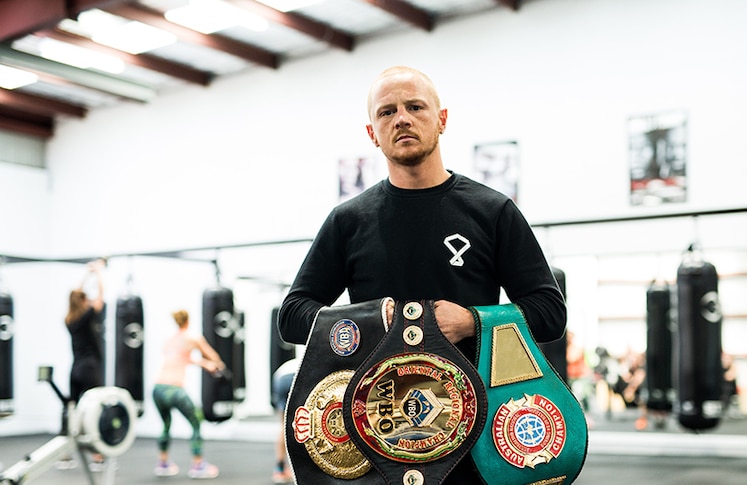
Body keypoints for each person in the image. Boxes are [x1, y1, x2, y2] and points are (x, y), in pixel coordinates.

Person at [278, 65, 567, 483]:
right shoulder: (348, 220)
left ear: (442, 119)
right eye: (387, 112)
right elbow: (292, 314)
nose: (402, 119)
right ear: (371, 132)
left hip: (472, 433)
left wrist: (470, 321)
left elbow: (550, 313)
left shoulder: (492, 211)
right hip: (376, 434)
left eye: (415, 106)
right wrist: (371, 321)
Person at [152, 309, 224, 479]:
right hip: (174, 390)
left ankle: (162, 463)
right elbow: (213, 355)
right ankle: (198, 465)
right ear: (188, 321)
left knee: (166, 425)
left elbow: (182, 358)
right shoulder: (193, 338)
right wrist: (220, 367)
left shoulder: (169, 341)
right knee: (196, 421)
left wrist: (204, 365)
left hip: (157, 389)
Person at [62, 258, 107, 471]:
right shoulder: (87, 316)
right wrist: (98, 273)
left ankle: (65, 454)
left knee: (72, 410)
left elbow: (75, 293)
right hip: (90, 368)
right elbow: (100, 299)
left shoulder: (69, 318)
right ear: (82, 302)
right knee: (96, 409)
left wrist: (86, 273)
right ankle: (98, 456)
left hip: (75, 370)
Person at [271, 358, 298, 484]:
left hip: (280, 377)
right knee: (306, 422)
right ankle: (302, 470)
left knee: (283, 424)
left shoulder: (288, 363)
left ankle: (279, 470)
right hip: (295, 375)